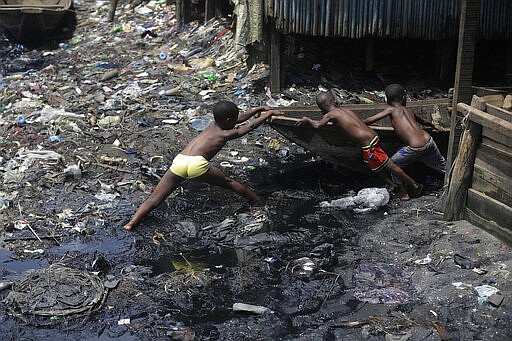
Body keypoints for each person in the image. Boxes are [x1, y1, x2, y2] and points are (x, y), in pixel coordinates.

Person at [124, 101, 282, 231]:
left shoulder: (213, 124)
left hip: (180, 160)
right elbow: (249, 127)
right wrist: (268, 114)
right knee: (230, 183)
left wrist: (259, 108)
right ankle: (257, 200)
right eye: (233, 120)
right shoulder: (225, 134)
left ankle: (131, 223)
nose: (236, 121)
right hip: (196, 164)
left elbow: (239, 118)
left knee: (154, 198)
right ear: (228, 121)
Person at [297, 91, 422, 199]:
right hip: (372, 138)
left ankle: (414, 184)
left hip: (368, 145)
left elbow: (318, 125)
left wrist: (307, 119)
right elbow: (357, 123)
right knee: (375, 166)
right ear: (335, 101)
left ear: (322, 109)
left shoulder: (330, 114)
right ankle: (391, 185)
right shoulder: (344, 110)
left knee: (390, 166)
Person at [363, 84, 446, 201]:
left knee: (392, 164)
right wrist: (434, 125)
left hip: (415, 148)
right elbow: (424, 121)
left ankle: (404, 193)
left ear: (387, 100)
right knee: (443, 166)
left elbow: (369, 120)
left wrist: (358, 123)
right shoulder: (409, 110)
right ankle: (456, 180)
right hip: (429, 141)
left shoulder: (391, 110)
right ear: (403, 98)